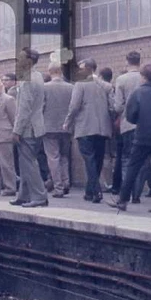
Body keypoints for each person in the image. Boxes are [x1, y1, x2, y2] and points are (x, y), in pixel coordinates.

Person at [108, 64, 151, 213]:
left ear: (144, 77)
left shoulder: (137, 93)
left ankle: (123, 200)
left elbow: (131, 116)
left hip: (142, 137)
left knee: (133, 167)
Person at [64, 58, 113, 203]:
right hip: (103, 128)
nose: (78, 71)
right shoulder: (106, 85)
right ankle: (90, 191)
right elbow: (113, 107)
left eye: (81, 68)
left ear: (88, 69)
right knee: (97, 160)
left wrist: (67, 122)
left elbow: (74, 106)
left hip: (85, 127)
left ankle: (96, 191)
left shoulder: (80, 84)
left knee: (89, 160)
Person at [112, 51, 151, 202]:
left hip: (128, 124)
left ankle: (128, 193)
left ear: (127, 61)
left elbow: (118, 106)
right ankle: (137, 194)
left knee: (127, 159)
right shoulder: (147, 78)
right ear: (139, 61)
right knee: (144, 160)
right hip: (147, 124)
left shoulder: (121, 79)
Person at [10, 48, 49, 208]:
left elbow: (24, 109)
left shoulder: (27, 80)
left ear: (29, 61)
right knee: (25, 162)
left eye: (20, 58)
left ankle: (39, 196)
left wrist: (17, 130)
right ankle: (24, 195)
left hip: (28, 128)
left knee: (29, 163)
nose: (17, 61)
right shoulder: (38, 76)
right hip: (37, 125)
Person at [42, 63, 74, 197]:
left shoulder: (44, 88)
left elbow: (41, 107)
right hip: (66, 127)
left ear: (49, 72)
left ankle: (58, 187)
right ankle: (66, 183)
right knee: (64, 156)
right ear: (61, 71)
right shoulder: (71, 87)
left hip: (49, 127)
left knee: (53, 157)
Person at [98, 66, 119, 193]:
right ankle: (116, 182)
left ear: (100, 76)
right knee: (116, 155)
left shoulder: (101, 90)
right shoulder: (114, 89)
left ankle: (108, 183)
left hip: (105, 126)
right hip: (116, 126)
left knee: (106, 156)